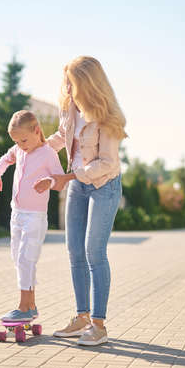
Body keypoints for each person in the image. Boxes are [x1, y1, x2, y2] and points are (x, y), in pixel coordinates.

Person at [34, 56, 127, 345]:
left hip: (104, 186)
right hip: (77, 186)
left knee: (94, 252)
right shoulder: (70, 110)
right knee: (74, 252)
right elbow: (62, 137)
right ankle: (81, 317)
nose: (67, 88)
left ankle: (98, 325)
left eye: (71, 83)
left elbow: (108, 164)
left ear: (86, 83)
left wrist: (67, 178)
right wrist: (34, 147)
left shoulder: (108, 117)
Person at [0, 110, 64, 321]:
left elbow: (59, 180)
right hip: (17, 213)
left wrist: (48, 182)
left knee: (26, 258)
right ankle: (31, 305)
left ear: (37, 131)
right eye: (16, 141)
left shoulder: (48, 153)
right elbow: (5, 159)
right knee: (17, 257)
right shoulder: (19, 149)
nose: (20, 145)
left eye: (23, 139)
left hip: (35, 216)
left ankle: (23, 307)